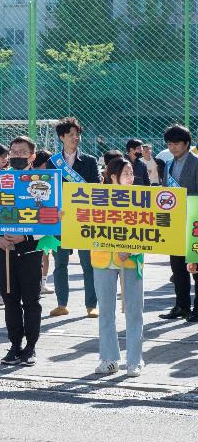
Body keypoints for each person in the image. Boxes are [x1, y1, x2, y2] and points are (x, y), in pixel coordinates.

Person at [92, 158, 146, 376]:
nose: (131, 178)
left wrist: (132, 249)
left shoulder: (142, 198)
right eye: (126, 173)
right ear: (113, 176)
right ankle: (109, 359)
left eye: (132, 173)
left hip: (132, 261)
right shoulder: (95, 198)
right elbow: (84, 227)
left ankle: (134, 360)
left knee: (134, 312)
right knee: (106, 311)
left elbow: (150, 231)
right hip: (103, 260)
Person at [0, 140, 45, 367]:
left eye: (22, 152)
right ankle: (15, 344)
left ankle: (31, 347)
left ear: (32, 156)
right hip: (3, 251)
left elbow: (51, 219)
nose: (16, 156)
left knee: (31, 301)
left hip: (30, 251)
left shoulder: (44, 182)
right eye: (13, 152)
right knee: (9, 299)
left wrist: (26, 237)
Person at [48, 117, 100, 319]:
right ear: (61, 137)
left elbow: (95, 187)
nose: (75, 138)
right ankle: (62, 304)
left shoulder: (89, 161)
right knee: (60, 263)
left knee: (88, 263)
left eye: (77, 134)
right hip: (60, 219)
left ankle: (91, 305)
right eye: (70, 134)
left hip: (83, 218)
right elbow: (48, 190)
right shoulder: (53, 162)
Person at [161, 124, 198, 321]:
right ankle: (181, 306)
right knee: (177, 266)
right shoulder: (169, 165)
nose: (172, 147)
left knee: (196, 266)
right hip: (174, 223)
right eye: (169, 144)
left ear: (186, 143)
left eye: (176, 143)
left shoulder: (196, 162)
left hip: (193, 222)